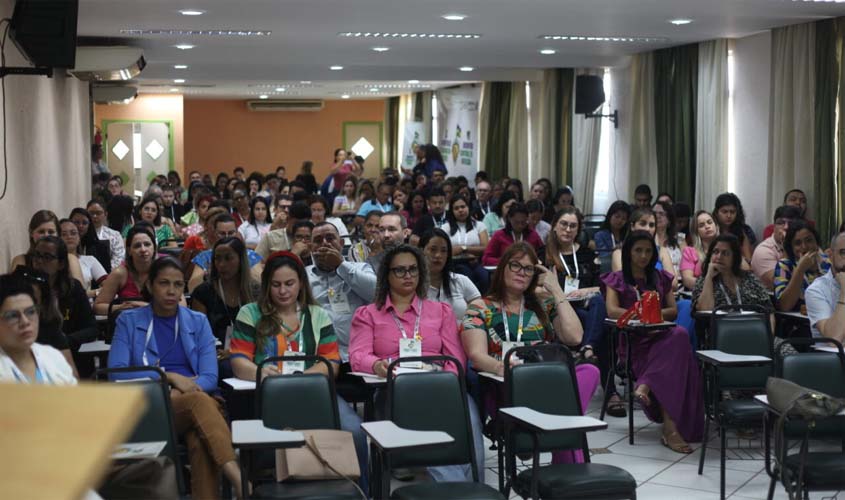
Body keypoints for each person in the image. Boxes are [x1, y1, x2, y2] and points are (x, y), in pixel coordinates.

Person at [107, 257, 245, 499]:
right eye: (164, 283)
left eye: (178, 284)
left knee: (200, 439)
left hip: (191, 403)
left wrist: (180, 392)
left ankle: (233, 479)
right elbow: (117, 374)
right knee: (199, 405)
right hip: (147, 408)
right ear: (150, 286)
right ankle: (237, 477)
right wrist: (168, 378)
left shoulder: (197, 321)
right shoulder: (128, 321)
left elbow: (210, 377)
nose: (172, 291)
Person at [230, 251, 369, 490]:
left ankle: (362, 493)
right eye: (276, 285)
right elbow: (239, 360)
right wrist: (260, 372)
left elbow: (331, 363)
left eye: (289, 284)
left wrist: (301, 380)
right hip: (269, 396)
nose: (283, 291)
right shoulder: (250, 313)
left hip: (315, 394)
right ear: (266, 286)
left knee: (355, 432)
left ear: (301, 284)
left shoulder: (317, 315)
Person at [349, 244, 482, 482]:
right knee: (434, 422)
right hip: (395, 390)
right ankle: (457, 490)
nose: (407, 275)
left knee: (470, 422)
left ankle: (472, 487)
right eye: (399, 270)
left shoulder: (440, 311)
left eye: (413, 269)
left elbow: (455, 358)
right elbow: (358, 356)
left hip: (441, 387)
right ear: (386, 276)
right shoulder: (368, 313)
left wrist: (446, 384)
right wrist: (377, 365)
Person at [463, 242, 600, 463]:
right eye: (515, 265)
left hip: (546, 380)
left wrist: (555, 289)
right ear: (502, 268)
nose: (522, 273)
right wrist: (503, 367)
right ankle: (561, 437)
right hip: (504, 383)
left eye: (528, 269)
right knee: (569, 416)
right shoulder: (480, 307)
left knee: (590, 371)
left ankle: (554, 425)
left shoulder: (543, 304)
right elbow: (476, 356)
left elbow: (574, 337)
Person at [602, 231, 704, 453]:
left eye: (648, 251)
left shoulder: (661, 278)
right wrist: (640, 313)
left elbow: (673, 311)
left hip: (660, 336)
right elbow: (611, 310)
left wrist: (653, 315)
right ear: (628, 252)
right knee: (678, 347)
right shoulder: (617, 279)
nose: (643, 256)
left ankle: (651, 392)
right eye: (638, 250)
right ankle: (670, 430)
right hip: (634, 343)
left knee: (678, 334)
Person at [544, 208, 606, 364]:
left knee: (598, 301)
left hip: (583, 303)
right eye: (564, 224)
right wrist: (562, 295)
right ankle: (588, 352)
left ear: (578, 230)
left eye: (573, 226)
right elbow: (537, 289)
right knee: (594, 322)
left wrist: (583, 292)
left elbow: (600, 287)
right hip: (558, 306)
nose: (567, 229)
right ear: (554, 226)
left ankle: (587, 348)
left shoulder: (587, 254)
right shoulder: (543, 254)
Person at [191, 237, 260, 360]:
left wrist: (236, 351)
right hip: (214, 356)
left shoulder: (256, 292)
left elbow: (263, 332)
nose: (222, 264)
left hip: (250, 353)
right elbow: (199, 335)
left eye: (228, 258)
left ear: (241, 260)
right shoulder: (202, 293)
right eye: (217, 259)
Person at [692, 234, 774, 320]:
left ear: (735, 257)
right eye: (715, 252)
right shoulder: (703, 281)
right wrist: (709, 277)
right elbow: (704, 310)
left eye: (725, 253)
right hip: (718, 331)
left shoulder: (750, 279)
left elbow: (769, 311)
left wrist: (768, 333)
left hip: (751, 330)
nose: (719, 257)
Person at [421, 229, 483, 322]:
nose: (438, 255)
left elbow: (480, 313)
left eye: (443, 251)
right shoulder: (412, 285)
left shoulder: (461, 280)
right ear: (421, 251)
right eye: (433, 249)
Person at [189, 215, 263, 292]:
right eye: (222, 233)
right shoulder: (204, 256)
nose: (227, 237)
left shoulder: (250, 255)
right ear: (215, 233)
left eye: (231, 233)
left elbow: (260, 282)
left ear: (237, 233)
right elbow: (192, 286)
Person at [94, 226, 158, 315]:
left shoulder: (163, 271)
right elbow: (98, 306)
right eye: (137, 246)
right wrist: (121, 307)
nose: (143, 249)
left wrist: (146, 307)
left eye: (147, 244)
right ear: (129, 251)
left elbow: (180, 305)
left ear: (154, 247)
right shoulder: (120, 273)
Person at [774, 220, 831, 312]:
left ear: (816, 242)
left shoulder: (828, 262)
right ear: (791, 248)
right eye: (797, 243)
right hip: (798, 323)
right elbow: (784, 306)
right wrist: (800, 269)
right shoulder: (784, 266)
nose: (804, 247)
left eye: (809, 240)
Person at [611, 208, 675, 283]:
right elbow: (623, 281)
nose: (648, 229)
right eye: (643, 224)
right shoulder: (619, 253)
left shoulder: (662, 251)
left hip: (659, 293)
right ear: (632, 226)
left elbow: (673, 282)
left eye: (651, 225)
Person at [440, 196, 490, 293]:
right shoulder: (446, 227)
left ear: (468, 208)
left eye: (463, 207)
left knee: (484, 277)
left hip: (475, 262)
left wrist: (463, 249)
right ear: (452, 211)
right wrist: (472, 250)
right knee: (466, 275)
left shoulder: (479, 225)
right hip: (455, 263)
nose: (460, 210)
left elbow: (485, 248)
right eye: (456, 208)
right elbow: (445, 249)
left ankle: (482, 303)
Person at [751, 205, 803, 291]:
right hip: (774, 301)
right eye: (780, 223)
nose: (786, 227)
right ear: (774, 226)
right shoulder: (763, 250)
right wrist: (787, 247)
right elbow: (777, 285)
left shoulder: (806, 245)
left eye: (791, 223)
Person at [805, 232, 845, 342]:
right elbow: (834, 339)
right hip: (835, 357)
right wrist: (844, 293)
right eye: (844, 253)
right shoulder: (816, 290)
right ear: (831, 255)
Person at [482, 202, 543, 266]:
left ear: (527, 219)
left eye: (523, 222)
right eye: (516, 222)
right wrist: (505, 261)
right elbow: (486, 259)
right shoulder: (499, 235)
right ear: (509, 218)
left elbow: (542, 254)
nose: (520, 226)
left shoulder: (533, 235)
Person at [60, 219, 107, 297]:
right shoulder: (54, 263)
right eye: (64, 234)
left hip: (89, 306)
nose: (69, 237)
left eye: (73, 233)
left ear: (79, 238)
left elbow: (109, 286)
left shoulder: (90, 260)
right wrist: (94, 293)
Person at [680, 210, 719, 290]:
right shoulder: (689, 252)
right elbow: (687, 280)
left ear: (716, 225)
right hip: (699, 294)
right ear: (696, 232)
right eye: (701, 225)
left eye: (710, 222)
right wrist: (713, 286)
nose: (707, 226)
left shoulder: (728, 248)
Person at [713, 193, 755, 263]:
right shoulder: (712, 230)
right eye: (724, 212)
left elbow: (748, 259)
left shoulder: (742, 231)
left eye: (732, 212)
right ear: (717, 213)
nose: (729, 215)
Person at [69, 207, 112, 274]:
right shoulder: (66, 245)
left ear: (89, 225)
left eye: (84, 223)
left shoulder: (101, 247)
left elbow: (106, 274)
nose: (80, 226)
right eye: (77, 222)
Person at [88, 200, 125, 271]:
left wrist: (102, 271)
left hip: (109, 274)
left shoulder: (115, 235)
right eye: (91, 213)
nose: (94, 216)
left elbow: (119, 258)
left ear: (105, 214)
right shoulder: (81, 233)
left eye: (98, 213)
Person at [652, 201, 685, 274]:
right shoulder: (646, 238)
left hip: (679, 281)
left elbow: (686, 263)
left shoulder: (680, 238)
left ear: (669, 220)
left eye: (661, 213)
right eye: (654, 213)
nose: (657, 216)